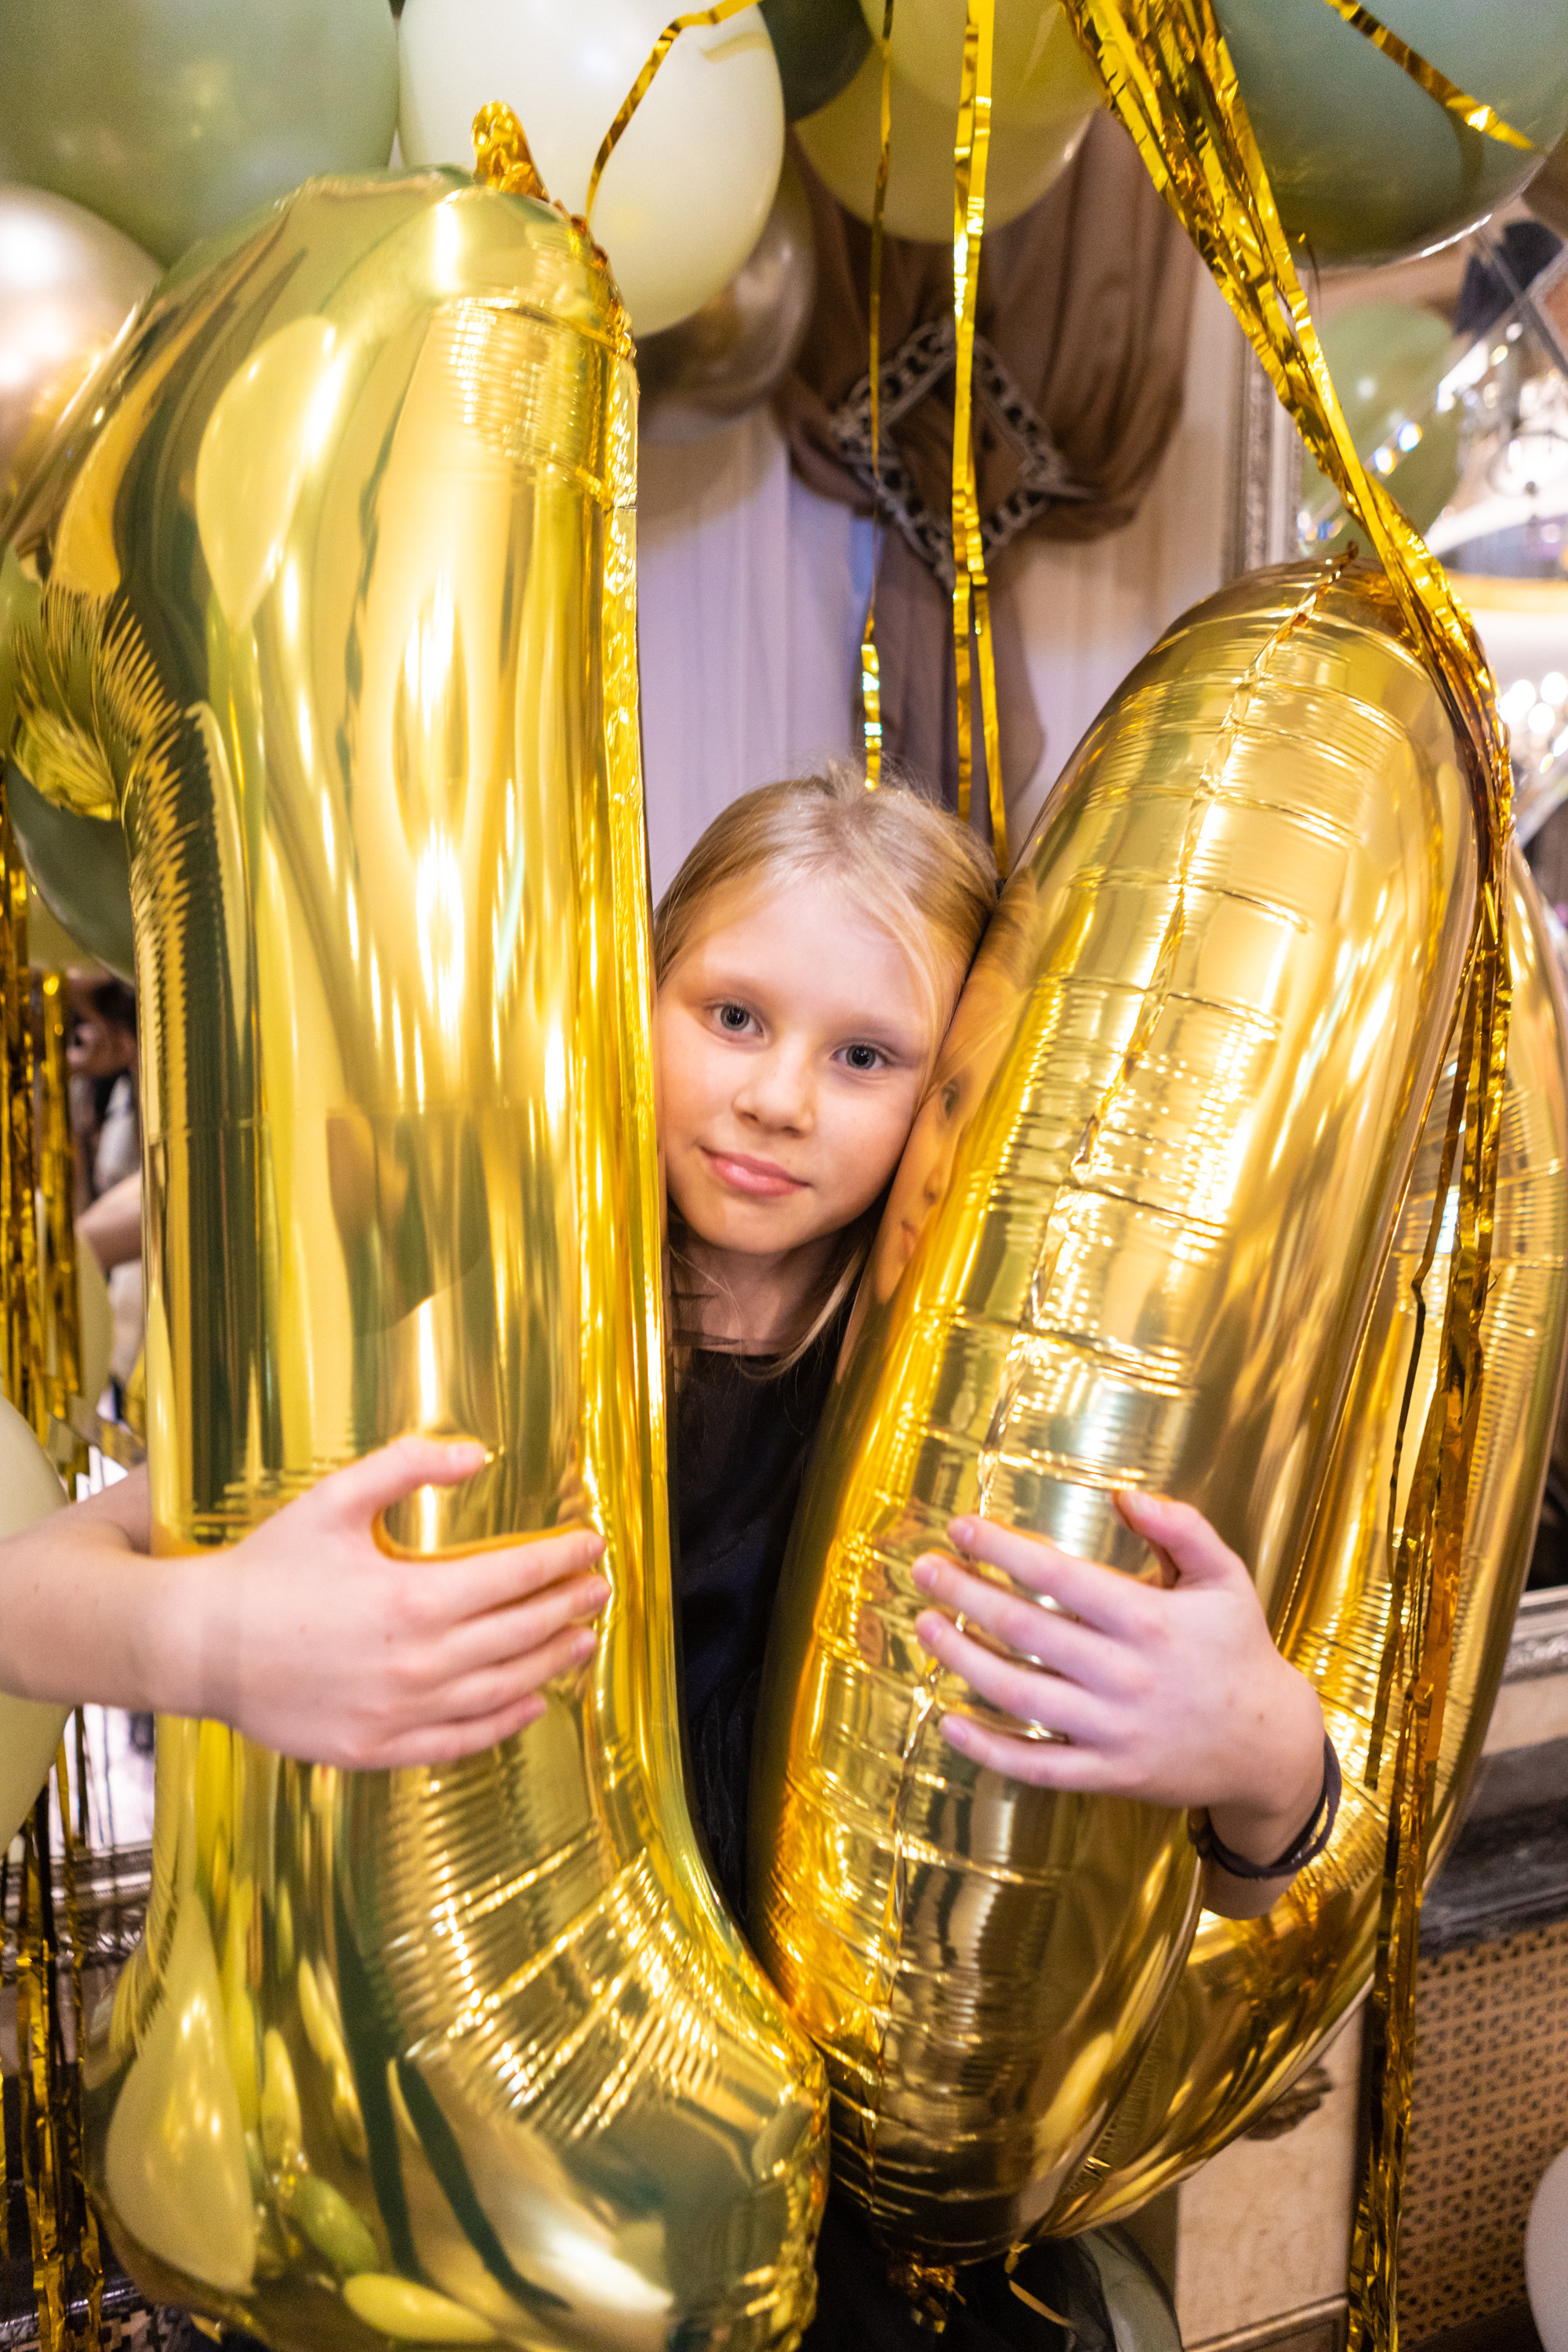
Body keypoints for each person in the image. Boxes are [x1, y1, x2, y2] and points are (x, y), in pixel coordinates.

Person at [0, 765, 1329, 2343]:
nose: (776, 1098)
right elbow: (28, 1601)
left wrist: (1255, 1748)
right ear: (637, 994)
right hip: (484, 2194)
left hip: (861, 2225)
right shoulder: (481, 1318)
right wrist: (211, 1642)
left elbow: (1256, 1894)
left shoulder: (1001, 1416)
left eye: (864, 1056)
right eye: (733, 1017)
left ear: (957, 1094)